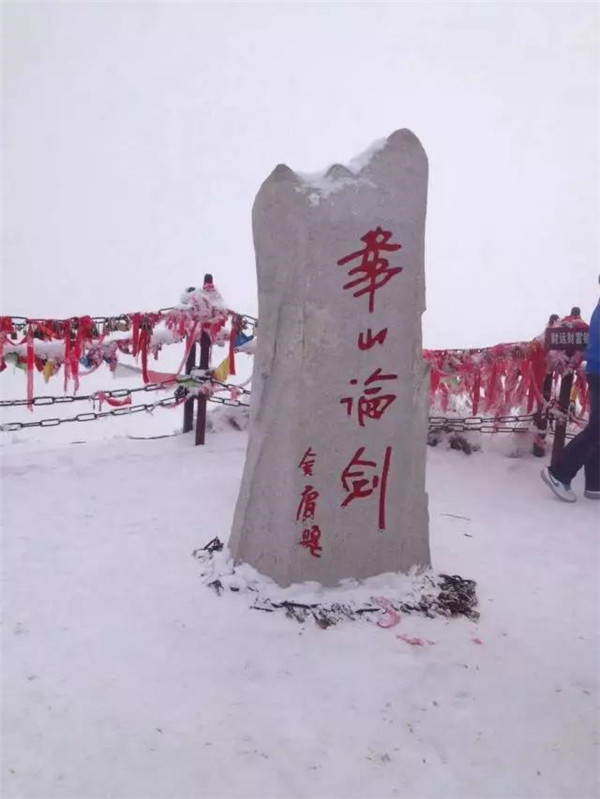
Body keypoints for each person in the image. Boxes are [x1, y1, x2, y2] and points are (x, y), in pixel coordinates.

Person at [541, 289, 600, 502]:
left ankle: (595, 484)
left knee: (597, 427)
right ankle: (559, 474)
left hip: (596, 370)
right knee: (597, 429)